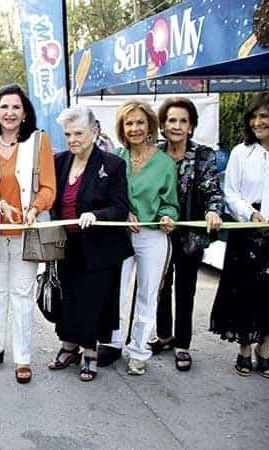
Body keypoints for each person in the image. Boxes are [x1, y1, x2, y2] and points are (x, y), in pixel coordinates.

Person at [0, 84, 56, 384]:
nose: (10, 112)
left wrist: (35, 208)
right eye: (5, 107)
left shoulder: (38, 141)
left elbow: (48, 186)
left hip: (27, 231)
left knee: (21, 294)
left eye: (16, 107)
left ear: (24, 113)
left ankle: (23, 357)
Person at [47, 106, 133, 382]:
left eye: (79, 133)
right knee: (68, 298)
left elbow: (120, 208)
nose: (72, 140)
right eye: (68, 134)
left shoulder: (112, 165)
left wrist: (95, 215)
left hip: (99, 247)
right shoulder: (59, 162)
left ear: (94, 132)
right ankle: (68, 346)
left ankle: (89, 352)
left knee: (93, 301)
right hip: (66, 244)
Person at [97, 99, 179, 376]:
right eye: (128, 123)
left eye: (139, 122)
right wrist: (125, 212)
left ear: (150, 126)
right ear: (122, 127)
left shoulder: (165, 163)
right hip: (119, 235)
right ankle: (113, 342)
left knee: (147, 294)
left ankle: (139, 350)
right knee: (115, 290)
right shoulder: (114, 158)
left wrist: (167, 217)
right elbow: (108, 196)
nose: (134, 128)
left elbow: (170, 203)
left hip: (152, 236)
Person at [150, 97, 223, 371]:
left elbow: (213, 190)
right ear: (163, 125)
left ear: (191, 126)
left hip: (190, 236)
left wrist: (213, 211)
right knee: (159, 287)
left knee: (185, 289)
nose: (177, 126)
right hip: (158, 233)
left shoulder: (204, 155)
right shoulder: (154, 153)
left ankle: (182, 344)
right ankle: (164, 336)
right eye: (171, 120)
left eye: (183, 121)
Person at [210, 92, 269, 378]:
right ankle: (244, 348)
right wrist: (250, 214)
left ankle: (266, 348)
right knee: (243, 290)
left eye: (265, 116)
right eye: (255, 116)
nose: (258, 122)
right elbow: (230, 192)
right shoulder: (240, 152)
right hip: (246, 229)